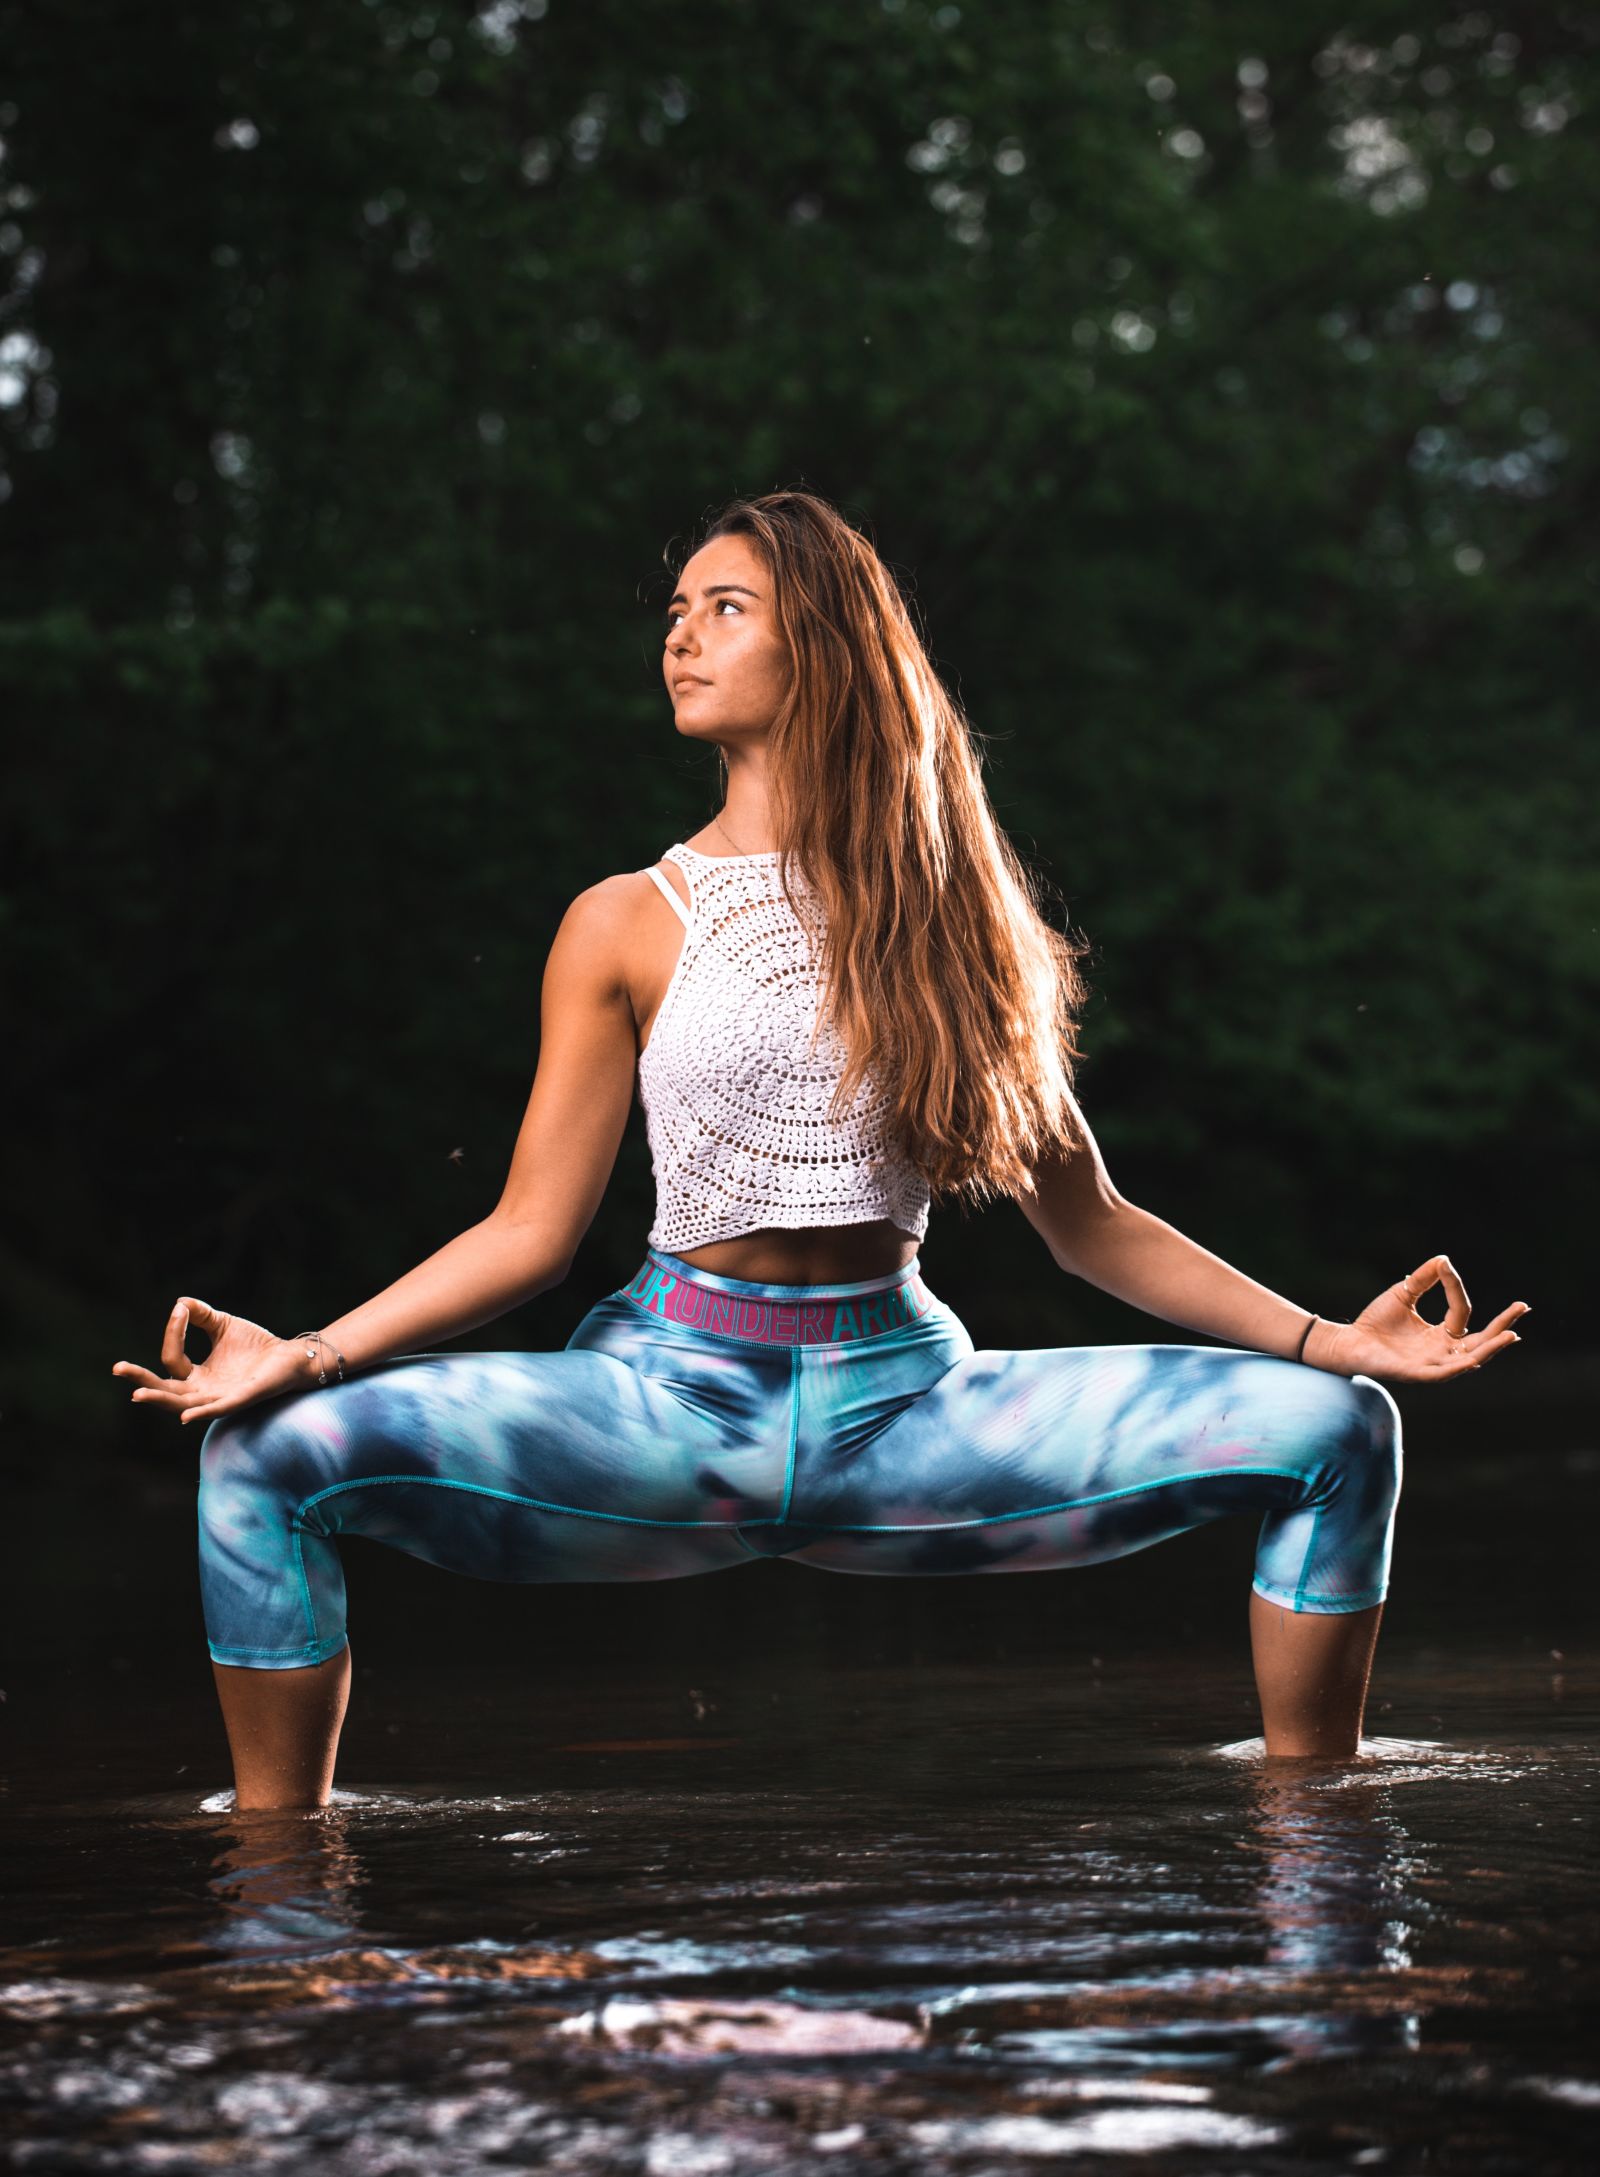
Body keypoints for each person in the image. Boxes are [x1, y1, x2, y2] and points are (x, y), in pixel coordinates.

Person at [111, 490, 1528, 1811]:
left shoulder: (957, 916)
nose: (680, 630)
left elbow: (1089, 1221)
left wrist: (1333, 1340)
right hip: (664, 1410)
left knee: (1344, 1434)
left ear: (830, 643)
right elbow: (528, 1233)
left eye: (724, 605)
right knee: (262, 1453)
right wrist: (312, 1349)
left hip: (909, 1416)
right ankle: (279, 1888)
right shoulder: (620, 920)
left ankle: (1320, 1842)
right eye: (674, 607)